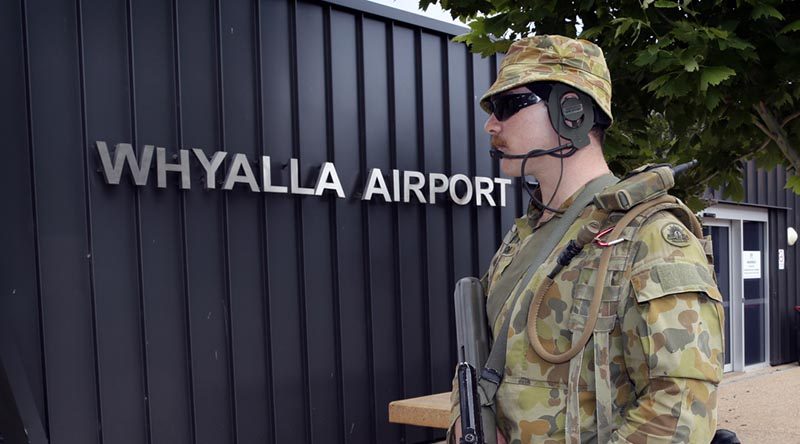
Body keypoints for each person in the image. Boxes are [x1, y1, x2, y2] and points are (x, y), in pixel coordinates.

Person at [449, 35, 725, 444]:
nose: (491, 124)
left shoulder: (651, 238)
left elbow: (680, 410)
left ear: (570, 111)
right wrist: (464, 421)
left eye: (507, 106)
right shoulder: (522, 238)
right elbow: (481, 359)